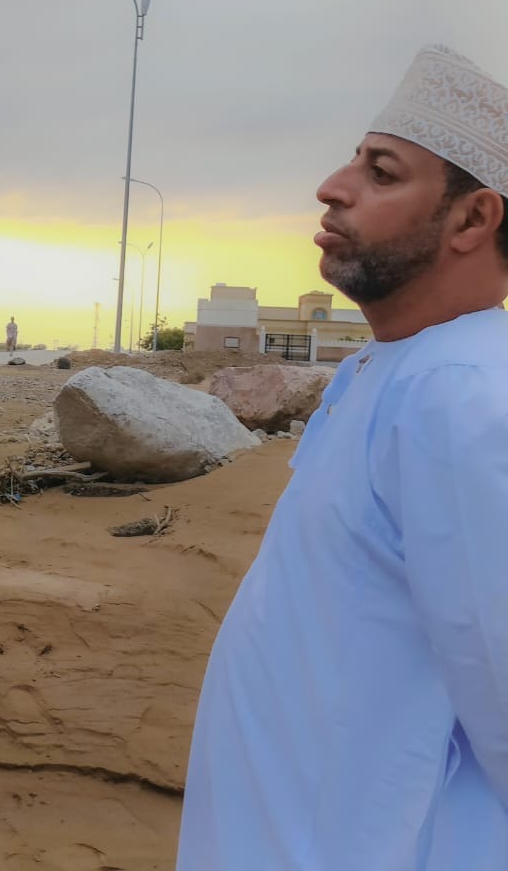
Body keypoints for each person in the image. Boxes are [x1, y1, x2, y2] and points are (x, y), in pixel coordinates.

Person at [179, 44, 508, 869]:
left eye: (381, 172)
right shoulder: (392, 367)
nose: (332, 186)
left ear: (473, 220)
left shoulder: (463, 395)